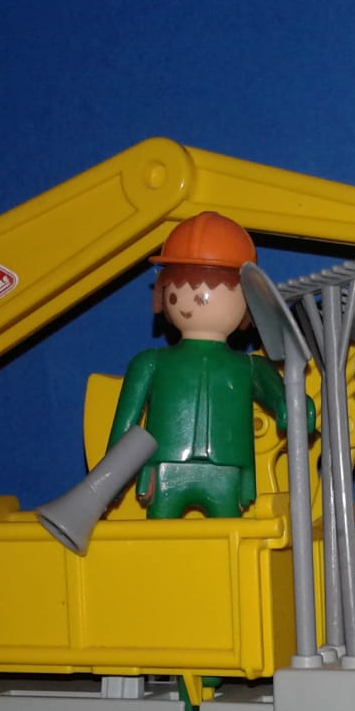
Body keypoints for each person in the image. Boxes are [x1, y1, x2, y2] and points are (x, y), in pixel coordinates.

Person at [106, 212, 302, 519]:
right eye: (175, 294)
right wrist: (110, 481)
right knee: (160, 539)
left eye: (201, 296)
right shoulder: (150, 363)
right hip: (165, 468)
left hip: (226, 468)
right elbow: (125, 426)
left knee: (230, 541)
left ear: (247, 300)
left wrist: (297, 409)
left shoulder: (250, 367)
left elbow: (283, 399)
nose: (185, 305)